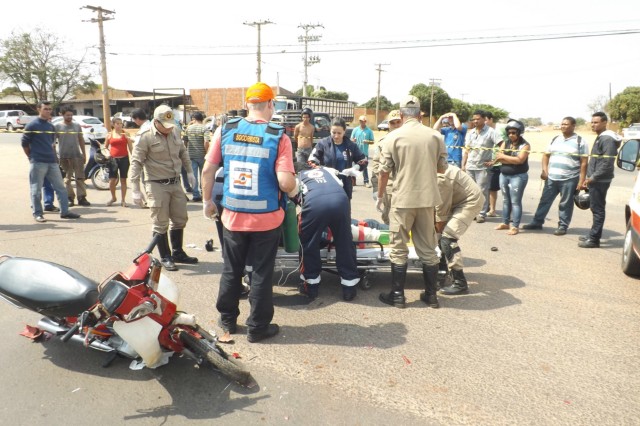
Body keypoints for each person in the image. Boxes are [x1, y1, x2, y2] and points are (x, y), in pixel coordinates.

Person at [201, 82, 296, 343]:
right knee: (262, 273)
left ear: (246, 105)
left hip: (232, 217)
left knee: (232, 269)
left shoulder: (227, 129)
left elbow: (208, 170)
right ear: (270, 104)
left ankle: (228, 320)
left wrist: (207, 201)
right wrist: (295, 187)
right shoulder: (279, 136)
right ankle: (257, 327)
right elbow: (286, 183)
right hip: (266, 220)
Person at [377, 95, 447, 309]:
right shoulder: (435, 136)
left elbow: (384, 172)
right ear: (420, 114)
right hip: (427, 200)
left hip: (402, 199)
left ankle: (398, 295)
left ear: (400, 114)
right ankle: (431, 295)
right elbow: (442, 168)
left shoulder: (393, 137)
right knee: (427, 248)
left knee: (398, 248)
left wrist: (380, 196)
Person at [130, 105, 198, 271]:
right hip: (156, 184)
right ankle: (165, 256)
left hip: (175, 183)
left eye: (170, 125)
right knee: (160, 223)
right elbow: (136, 162)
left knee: (180, 219)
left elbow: (183, 152)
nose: (168, 129)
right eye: (164, 126)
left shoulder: (174, 131)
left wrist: (190, 171)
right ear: (156, 121)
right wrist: (135, 188)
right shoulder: (145, 136)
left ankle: (177, 252)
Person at [296, 166, 360, 301]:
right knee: (344, 241)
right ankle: (349, 287)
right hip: (340, 200)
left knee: (308, 242)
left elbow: (295, 198)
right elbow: (342, 183)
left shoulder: (299, 176)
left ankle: (311, 286)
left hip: (315, 203)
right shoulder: (327, 170)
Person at [523, 117, 589, 235]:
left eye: (566, 124)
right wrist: (545, 171)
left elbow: (584, 162)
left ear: (573, 126)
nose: (563, 126)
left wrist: (581, 180)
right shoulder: (555, 139)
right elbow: (546, 156)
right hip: (551, 178)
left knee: (565, 203)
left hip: (570, 178)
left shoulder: (580, 141)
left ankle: (563, 226)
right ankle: (537, 222)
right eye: (562, 124)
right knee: (544, 201)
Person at [22, 100, 80, 222]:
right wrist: (31, 157)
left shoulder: (50, 126)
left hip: (52, 162)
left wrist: (55, 159)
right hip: (38, 162)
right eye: (45, 109)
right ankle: (38, 213)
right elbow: (24, 144)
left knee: (60, 188)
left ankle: (65, 211)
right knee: (36, 189)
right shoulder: (32, 125)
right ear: (39, 109)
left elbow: (52, 145)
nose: (48, 111)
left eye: (49, 109)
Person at [436, 165, 484, 295]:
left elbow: (441, 209)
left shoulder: (440, 176)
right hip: (455, 200)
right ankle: (441, 272)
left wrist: (437, 231)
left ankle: (460, 283)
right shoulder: (427, 168)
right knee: (436, 235)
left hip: (470, 201)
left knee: (446, 237)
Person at [578, 111, 622, 248]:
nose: (593, 125)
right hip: (596, 179)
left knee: (597, 209)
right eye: (592, 122)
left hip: (599, 180)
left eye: (596, 122)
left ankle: (594, 239)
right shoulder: (602, 137)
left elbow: (607, 164)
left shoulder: (606, 139)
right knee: (595, 208)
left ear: (604, 123)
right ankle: (593, 234)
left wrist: (592, 178)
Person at [308, 117, 368, 200]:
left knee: (343, 211)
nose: (336, 136)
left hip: (345, 187)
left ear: (344, 131)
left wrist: (355, 168)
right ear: (330, 130)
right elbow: (312, 161)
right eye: (334, 132)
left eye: (339, 133)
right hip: (326, 186)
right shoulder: (323, 144)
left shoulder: (351, 145)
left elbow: (363, 160)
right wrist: (325, 170)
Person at [493, 120, 531, 235]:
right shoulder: (506, 143)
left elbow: (520, 160)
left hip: (518, 177)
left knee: (515, 202)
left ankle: (515, 226)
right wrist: (510, 159)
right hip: (504, 175)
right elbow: (498, 157)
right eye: (509, 133)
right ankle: (505, 223)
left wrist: (505, 157)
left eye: (514, 132)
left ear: (519, 133)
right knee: (505, 200)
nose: (511, 135)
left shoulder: (525, 145)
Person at [461, 110, 498, 223]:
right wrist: (463, 165)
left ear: (483, 119)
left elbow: (502, 145)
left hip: (483, 167)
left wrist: (494, 160)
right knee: (470, 191)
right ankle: (471, 213)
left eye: (478, 119)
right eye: (474, 119)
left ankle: (481, 214)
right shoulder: (471, 132)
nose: (475, 121)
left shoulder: (491, 132)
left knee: (482, 191)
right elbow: (466, 150)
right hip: (470, 166)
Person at [54, 106, 90, 207]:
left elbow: (81, 139)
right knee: (67, 179)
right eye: (67, 115)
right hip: (64, 157)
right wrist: (55, 157)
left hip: (77, 155)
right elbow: (53, 142)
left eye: (71, 115)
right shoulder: (57, 127)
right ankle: (70, 198)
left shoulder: (76, 125)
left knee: (80, 177)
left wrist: (84, 154)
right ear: (62, 115)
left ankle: (81, 197)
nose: (69, 117)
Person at [370, 109, 402, 224]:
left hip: (406, 184)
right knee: (389, 217)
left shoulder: (410, 140)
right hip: (389, 185)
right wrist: (378, 188)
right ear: (388, 125)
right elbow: (376, 165)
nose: (396, 125)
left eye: (398, 122)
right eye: (393, 123)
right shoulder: (383, 142)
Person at [105, 117, 134, 207]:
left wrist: (133, 157)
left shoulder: (125, 134)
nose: (119, 125)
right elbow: (105, 147)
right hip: (113, 159)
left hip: (124, 159)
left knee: (123, 180)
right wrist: (107, 154)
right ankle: (113, 197)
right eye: (117, 123)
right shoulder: (109, 135)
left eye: (121, 123)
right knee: (111, 180)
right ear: (113, 124)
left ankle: (123, 200)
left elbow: (130, 147)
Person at [485, 111, 506, 217]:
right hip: (488, 162)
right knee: (488, 187)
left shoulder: (501, 128)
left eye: (486, 120)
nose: (484, 122)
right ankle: (488, 208)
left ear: (491, 119)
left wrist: (502, 154)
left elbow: (508, 141)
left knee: (494, 188)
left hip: (500, 163)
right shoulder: (485, 131)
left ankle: (493, 209)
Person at [185, 111, 208, 202]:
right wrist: (207, 152)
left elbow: (185, 141)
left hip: (191, 155)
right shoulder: (204, 128)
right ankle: (204, 193)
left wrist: (186, 151)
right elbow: (206, 142)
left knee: (193, 176)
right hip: (202, 155)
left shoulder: (188, 128)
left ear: (194, 119)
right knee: (204, 176)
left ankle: (195, 195)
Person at [350, 115, 374, 187]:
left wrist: (367, 141)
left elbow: (372, 141)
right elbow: (351, 139)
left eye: (363, 121)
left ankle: (366, 182)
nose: (362, 122)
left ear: (365, 122)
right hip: (355, 152)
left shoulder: (369, 131)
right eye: (360, 121)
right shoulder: (355, 129)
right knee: (354, 167)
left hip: (364, 152)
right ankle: (353, 181)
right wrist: (353, 140)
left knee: (364, 167)